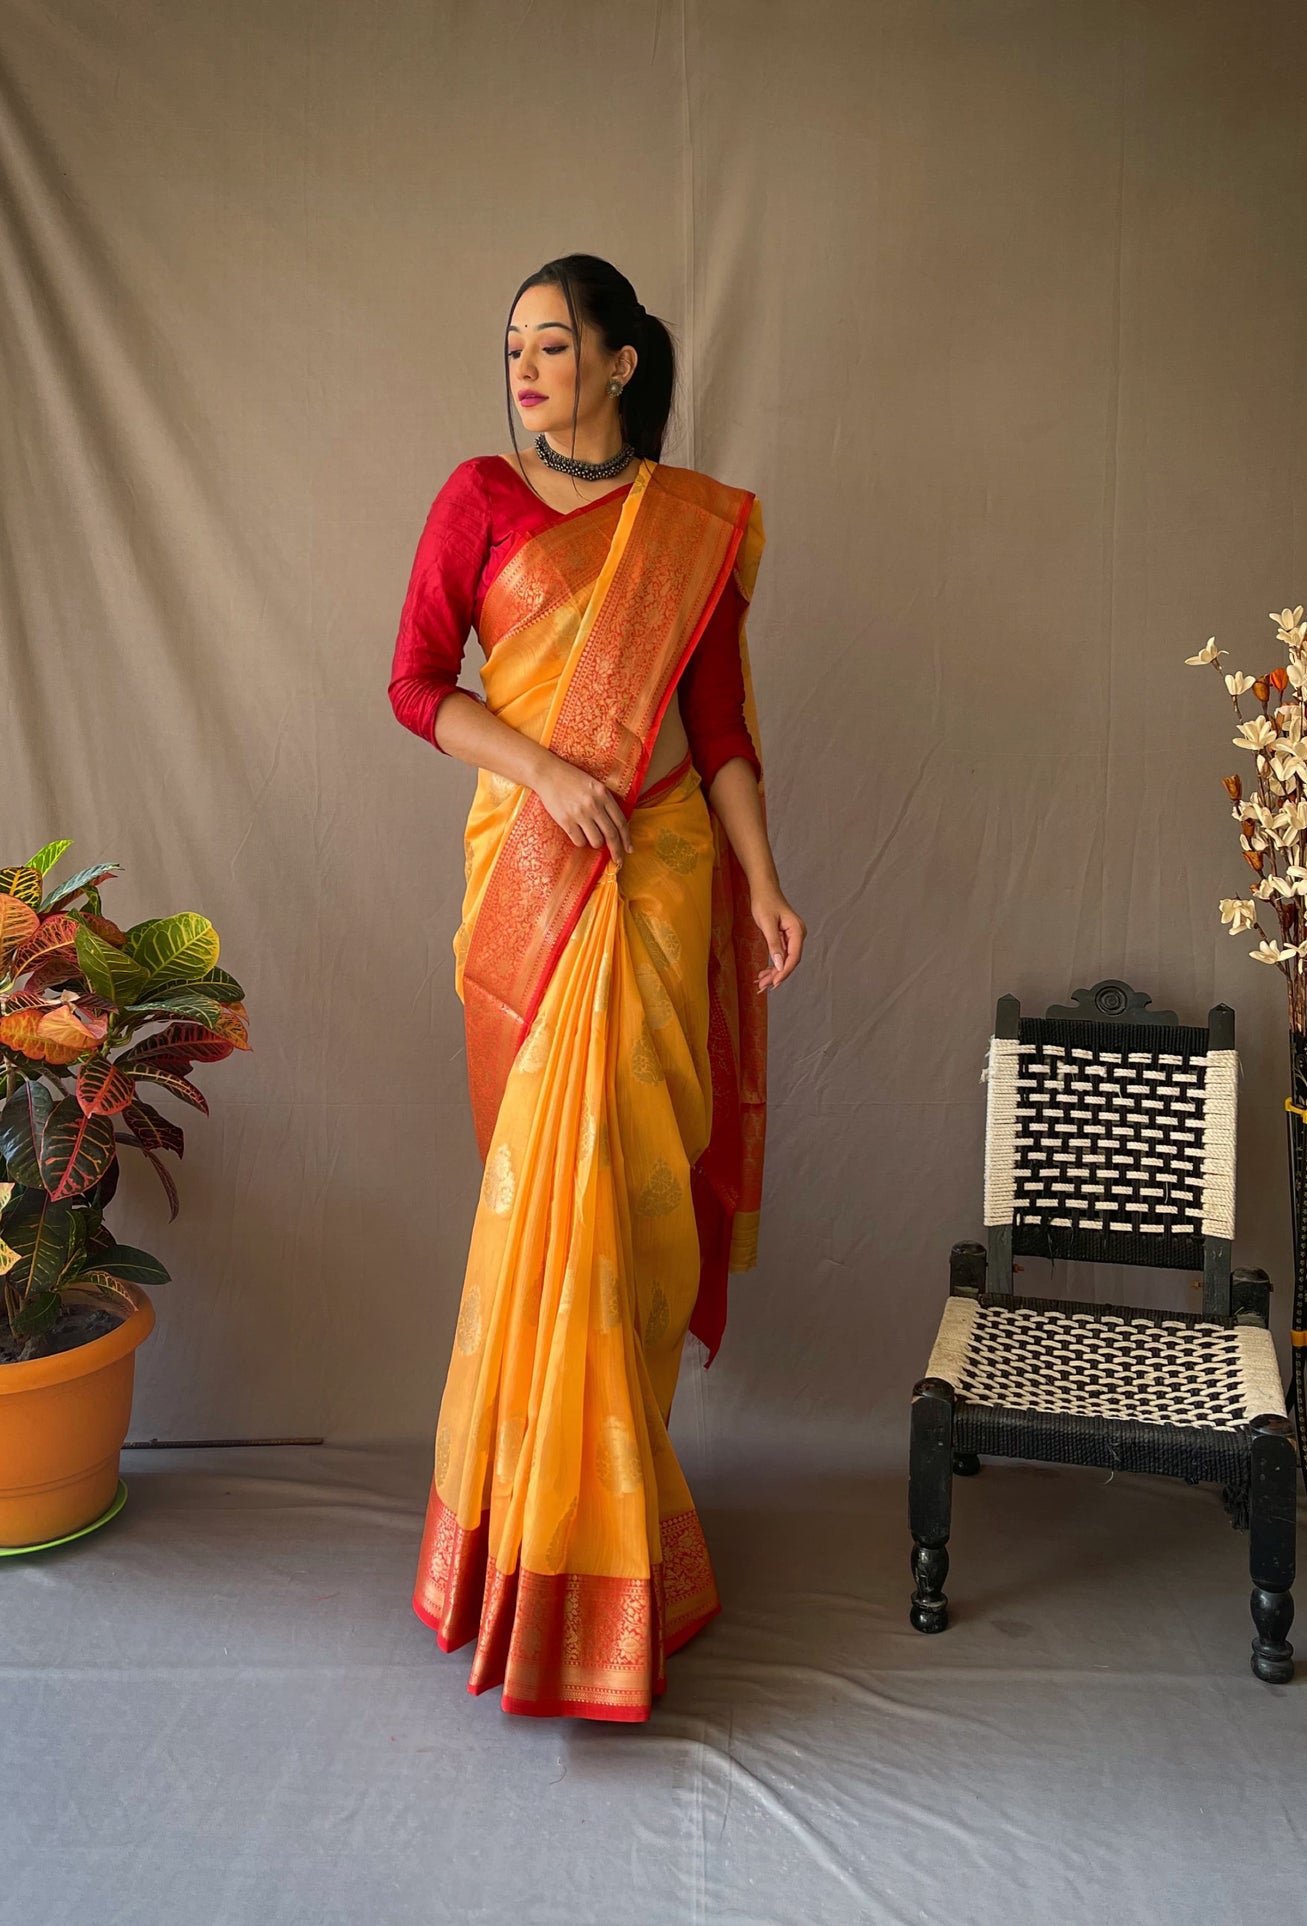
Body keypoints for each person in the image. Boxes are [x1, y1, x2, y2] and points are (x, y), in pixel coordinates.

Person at [387, 253, 806, 1721]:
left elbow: (718, 724)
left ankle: (619, 1546)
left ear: (622, 360)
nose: (524, 366)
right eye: (512, 344)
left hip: (662, 872)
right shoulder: (477, 498)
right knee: (533, 1214)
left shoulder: (687, 527)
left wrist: (758, 882)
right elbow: (418, 682)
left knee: (625, 1212)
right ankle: (527, 1554)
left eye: (553, 343)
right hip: (537, 874)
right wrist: (546, 770)